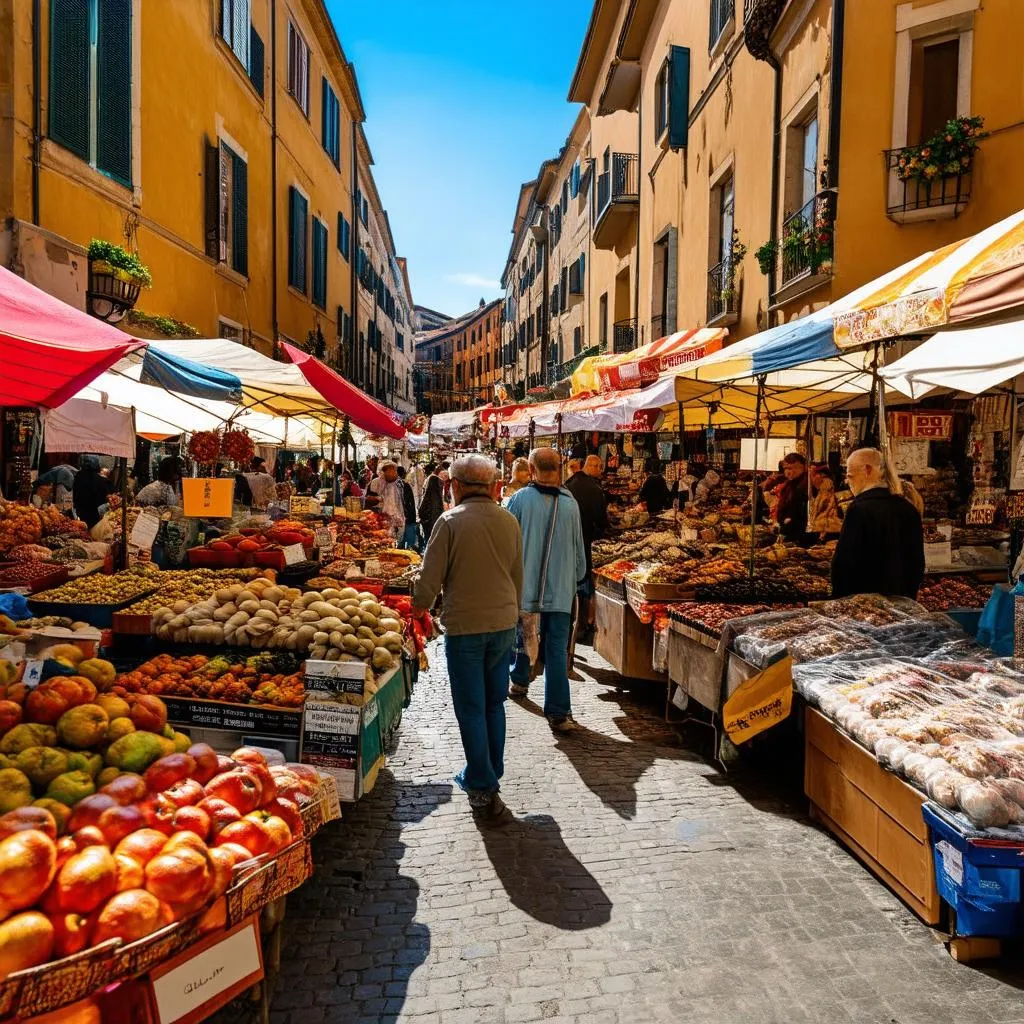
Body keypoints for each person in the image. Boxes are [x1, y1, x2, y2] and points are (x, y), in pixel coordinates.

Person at [411, 455, 523, 826]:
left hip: (466, 627)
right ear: (493, 486)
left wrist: (418, 609)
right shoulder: (508, 520)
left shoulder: (450, 521)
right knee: (494, 704)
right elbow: (516, 576)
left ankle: (483, 784)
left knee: (472, 707)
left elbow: (429, 578)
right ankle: (490, 771)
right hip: (502, 622)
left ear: (455, 486)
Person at [506, 447, 588, 733]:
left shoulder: (518, 500)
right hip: (562, 590)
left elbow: (507, 544)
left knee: (523, 635)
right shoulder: (571, 503)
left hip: (525, 587)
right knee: (555, 650)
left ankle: (519, 680)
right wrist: (578, 577)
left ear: (531, 468)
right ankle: (558, 712)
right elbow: (580, 551)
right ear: (561, 467)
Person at [831, 447, 925, 599]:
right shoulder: (909, 509)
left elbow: (845, 563)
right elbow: (917, 563)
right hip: (902, 601)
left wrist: (840, 599)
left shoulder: (859, 509)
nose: (849, 483)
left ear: (867, 470)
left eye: (851, 476)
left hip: (866, 604)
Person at [565, 454, 608, 644]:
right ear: (593, 466)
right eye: (600, 468)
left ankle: (574, 622)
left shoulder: (568, 484)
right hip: (587, 540)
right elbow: (601, 519)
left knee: (572, 583)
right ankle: (583, 623)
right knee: (585, 582)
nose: (601, 471)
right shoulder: (595, 489)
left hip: (568, 541)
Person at [775, 452, 810, 544]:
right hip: (788, 529)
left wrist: (789, 519)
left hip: (800, 533)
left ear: (803, 467)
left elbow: (801, 510)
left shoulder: (807, 484)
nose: (787, 472)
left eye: (791, 468)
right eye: (785, 468)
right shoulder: (788, 484)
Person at [368, 461, 406, 538]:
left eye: (394, 471)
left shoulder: (400, 484)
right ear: (383, 472)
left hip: (396, 517)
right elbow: (370, 499)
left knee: (394, 538)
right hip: (379, 517)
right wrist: (378, 499)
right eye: (390, 471)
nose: (393, 473)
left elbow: (401, 502)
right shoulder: (376, 482)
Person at [72, 455, 112, 529]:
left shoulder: (78, 476)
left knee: (82, 528)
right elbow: (104, 497)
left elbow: (75, 493)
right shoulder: (100, 480)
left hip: (79, 510)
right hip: (93, 512)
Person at [808, 464, 842, 539]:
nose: (812, 478)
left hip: (828, 526)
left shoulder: (826, 485)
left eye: (813, 475)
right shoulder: (822, 490)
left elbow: (823, 506)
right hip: (825, 525)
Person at [418, 463, 445, 542]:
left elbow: (422, 510)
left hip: (429, 521)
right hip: (435, 521)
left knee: (428, 540)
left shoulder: (429, 494)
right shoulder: (439, 495)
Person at [396, 466, 419, 550]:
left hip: (401, 517)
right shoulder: (405, 485)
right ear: (404, 474)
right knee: (405, 542)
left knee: (400, 542)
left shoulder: (398, 485)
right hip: (406, 517)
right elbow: (411, 504)